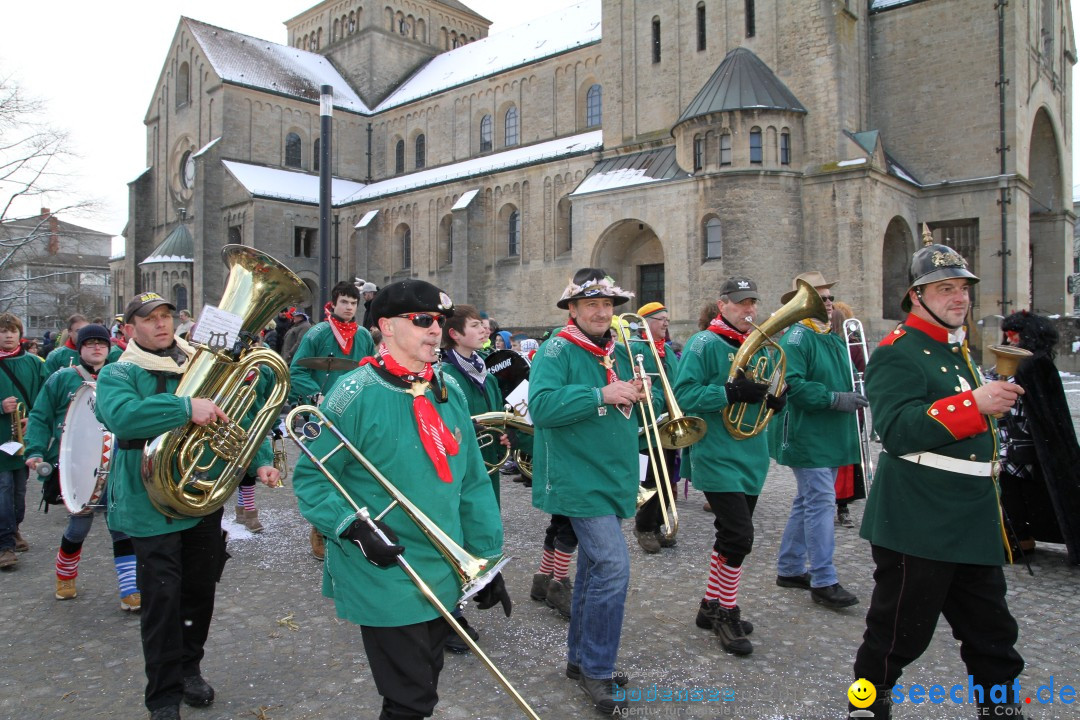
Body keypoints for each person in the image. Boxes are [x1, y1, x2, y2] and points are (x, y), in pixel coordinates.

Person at [292, 278, 508, 720]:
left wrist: (486, 560)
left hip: (442, 563)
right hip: (383, 565)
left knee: (425, 679)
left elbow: (470, 480)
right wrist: (350, 525)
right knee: (410, 699)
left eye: (441, 321)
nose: (436, 330)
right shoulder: (352, 393)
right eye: (423, 320)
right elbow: (313, 478)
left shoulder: (446, 384)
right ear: (386, 327)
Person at [850, 238, 1026, 719]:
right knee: (896, 633)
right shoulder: (897, 351)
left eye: (963, 288)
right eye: (944, 288)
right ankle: (866, 703)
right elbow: (897, 429)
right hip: (918, 517)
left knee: (992, 631)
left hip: (971, 514)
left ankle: (1000, 707)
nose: (959, 298)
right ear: (916, 296)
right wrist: (976, 405)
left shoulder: (958, 348)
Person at [96, 291, 280, 720]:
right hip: (149, 503)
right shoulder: (118, 372)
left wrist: (261, 462)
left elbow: (237, 416)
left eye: (165, 316)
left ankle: (189, 669)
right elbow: (122, 417)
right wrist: (184, 407)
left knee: (199, 592)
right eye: (149, 319)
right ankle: (162, 696)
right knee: (162, 602)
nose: (161, 324)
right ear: (129, 329)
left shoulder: (197, 360)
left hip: (200, 496)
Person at [529, 267, 645, 714]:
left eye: (608, 305)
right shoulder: (556, 349)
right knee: (613, 567)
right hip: (578, 479)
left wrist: (632, 392)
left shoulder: (612, 348)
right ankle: (597, 670)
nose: (602, 312)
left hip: (609, 474)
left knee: (597, 570)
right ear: (572, 309)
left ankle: (581, 661)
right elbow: (540, 407)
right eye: (592, 304)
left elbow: (610, 398)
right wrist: (602, 393)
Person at [673, 277, 782, 655]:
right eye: (740, 303)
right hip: (717, 454)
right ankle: (727, 610)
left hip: (751, 454)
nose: (749, 309)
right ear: (723, 306)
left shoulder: (759, 346)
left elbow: (765, 391)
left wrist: (771, 403)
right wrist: (731, 391)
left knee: (728, 536)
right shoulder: (704, 343)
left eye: (752, 302)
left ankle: (709, 605)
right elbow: (683, 394)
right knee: (740, 537)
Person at [24, 324, 140, 609]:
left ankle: (129, 589)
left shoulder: (121, 376)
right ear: (80, 347)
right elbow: (40, 416)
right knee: (78, 526)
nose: (97, 348)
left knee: (120, 527)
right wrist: (36, 450)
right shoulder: (62, 378)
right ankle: (65, 576)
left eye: (102, 343)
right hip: (76, 463)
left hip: (116, 462)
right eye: (91, 344)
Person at [772, 270, 864, 609]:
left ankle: (791, 567)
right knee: (821, 502)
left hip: (828, 432)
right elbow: (792, 385)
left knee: (808, 501)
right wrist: (835, 399)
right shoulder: (797, 337)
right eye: (821, 298)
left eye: (828, 298)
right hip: (806, 433)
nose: (828, 304)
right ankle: (824, 579)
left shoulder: (831, 335)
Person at [289, 281, 375, 561]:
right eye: (345, 302)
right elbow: (296, 372)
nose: (349, 308)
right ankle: (320, 527)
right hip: (324, 415)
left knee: (353, 469)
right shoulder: (318, 333)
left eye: (354, 303)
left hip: (356, 414)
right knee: (325, 470)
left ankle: (353, 524)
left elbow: (370, 370)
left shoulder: (363, 335)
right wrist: (317, 396)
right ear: (334, 303)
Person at [439, 303, 506, 653]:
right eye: (476, 326)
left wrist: (506, 434)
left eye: (485, 325)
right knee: (452, 536)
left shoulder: (486, 372)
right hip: (458, 468)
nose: (486, 329)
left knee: (480, 529)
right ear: (454, 334)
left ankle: (478, 581)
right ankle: (448, 615)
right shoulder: (445, 374)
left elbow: (498, 418)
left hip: (487, 468)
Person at [995, 311, 1080, 563]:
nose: (1010, 339)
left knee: (1013, 488)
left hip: (1024, 441)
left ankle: (1019, 536)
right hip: (1013, 439)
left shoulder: (1035, 364)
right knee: (1011, 489)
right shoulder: (1024, 361)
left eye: (1015, 333)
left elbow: (1036, 407)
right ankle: (1020, 536)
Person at [629, 301, 680, 554]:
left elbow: (677, 382)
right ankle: (644, 526)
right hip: (648, 425)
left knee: (666, 478)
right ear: (646, 323)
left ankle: (659, 524)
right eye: (660, 319)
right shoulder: (639, 348)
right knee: (650, 479)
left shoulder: (667, 352)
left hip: (668, 424)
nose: (666, 323)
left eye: (667, 319)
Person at [0, 313, 49, 570]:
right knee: (3, 489)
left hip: (22, 440)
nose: (8, 335)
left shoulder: (35, 363)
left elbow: (45, 397)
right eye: (3, 331)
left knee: (19, 491)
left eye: (13, 330)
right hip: (0, 441)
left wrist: (35, 419)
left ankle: (14, 528)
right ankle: (4, 544)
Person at [829, 301, 867, 529]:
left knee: (847, 464)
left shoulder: (852, 346)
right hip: (835, 409)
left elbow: (862, 375)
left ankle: (841, 506)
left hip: (851, 411)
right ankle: (835, 505)